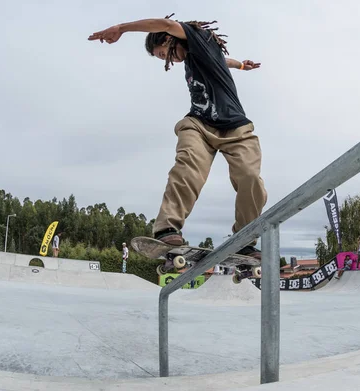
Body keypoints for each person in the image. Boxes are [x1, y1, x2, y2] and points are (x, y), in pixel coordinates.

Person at [88, 15, 267, 260]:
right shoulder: (197, 59)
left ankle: (245, 239)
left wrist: (122, 28)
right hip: (197, 125)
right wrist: (242, 65)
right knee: (187, 168)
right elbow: (225, 61)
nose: (168, 60)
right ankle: (167, 228)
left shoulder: (200, 39)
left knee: (250, 178)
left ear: (170, 39)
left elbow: (164, 23)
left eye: (163, 54)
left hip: (236, 129)